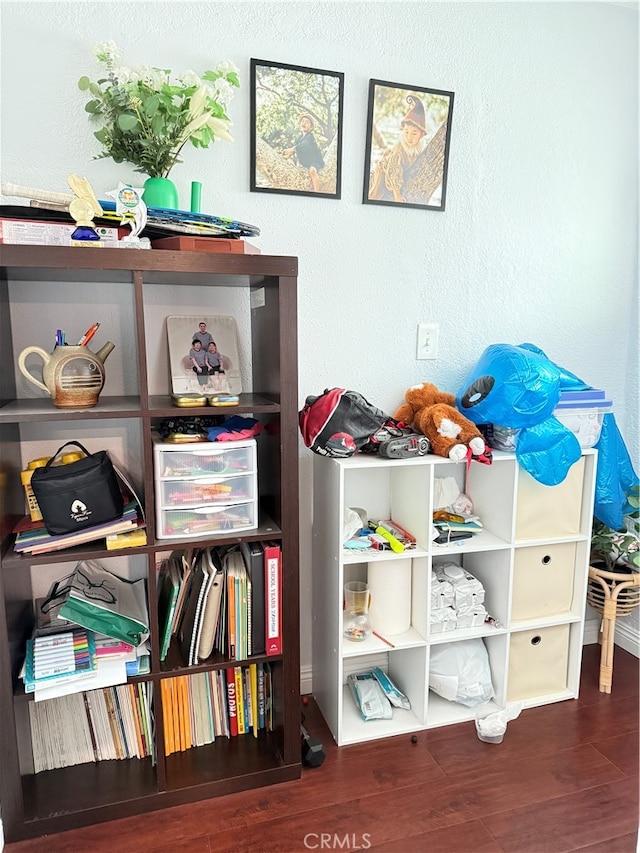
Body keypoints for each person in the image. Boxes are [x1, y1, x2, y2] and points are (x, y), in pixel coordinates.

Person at [369, 95, 428, 203]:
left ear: (422, 134)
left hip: (400, 171)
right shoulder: (399, 149)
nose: (409, 137)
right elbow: (394, 169)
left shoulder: (421, 149)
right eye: (406, 132)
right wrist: (397, 195)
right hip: (386, 168)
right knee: (376, 194)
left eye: (414, 133)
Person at [283, 114, 324, 193]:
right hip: (305, 163)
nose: (304, 123)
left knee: (312, 171)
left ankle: (317, 192)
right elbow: (297, 149)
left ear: (311, 127)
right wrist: (287, 156)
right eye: (302, 121)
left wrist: (293, 149)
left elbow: (304, 145)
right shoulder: (299, 139)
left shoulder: (310, 137)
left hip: (315, 161)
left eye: (307, 122)